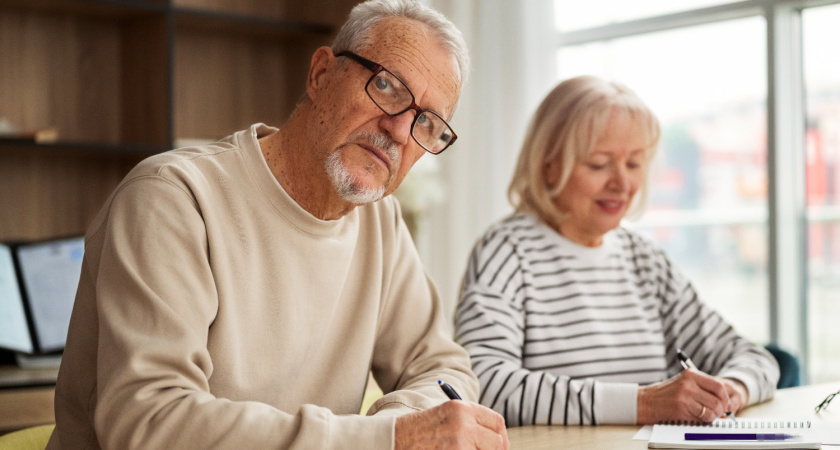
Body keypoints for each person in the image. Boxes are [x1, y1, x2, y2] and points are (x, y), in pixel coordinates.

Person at [47, 1, 509, 449]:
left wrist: (404, 425)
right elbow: (149, 422)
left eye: (426, 123)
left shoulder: (380, 222)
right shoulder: (172, 198)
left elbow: (445, 370)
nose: (398, 130)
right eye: (387, 86)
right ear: (321, 74)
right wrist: (384, 440)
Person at [454, 75, 780, 427]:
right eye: (599, 164)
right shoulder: (506, 252)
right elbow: (483, 382)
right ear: (549, 167)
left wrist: (731, 389)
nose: (622, 184)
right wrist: (643, 403)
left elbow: (753, 357)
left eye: (634, 163)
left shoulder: (645, 260)